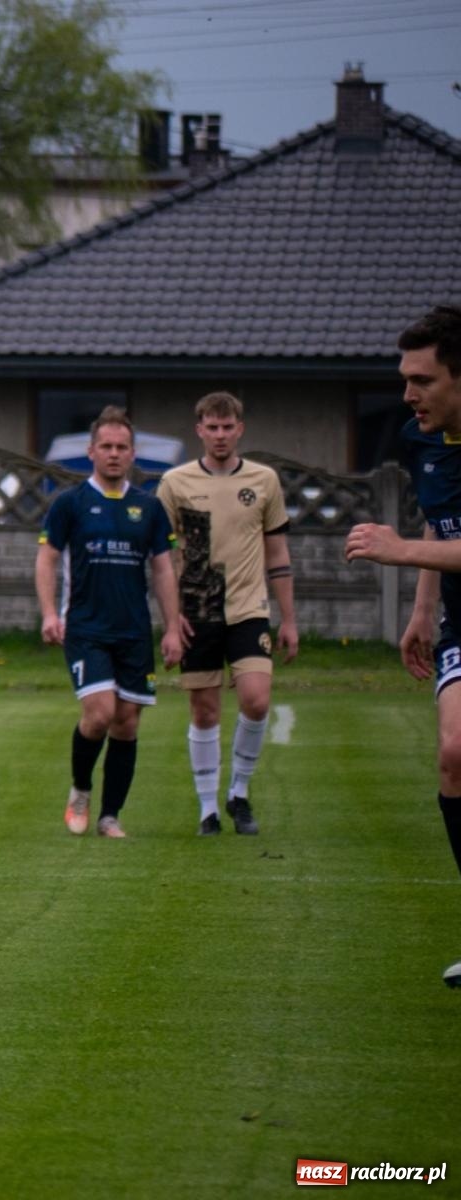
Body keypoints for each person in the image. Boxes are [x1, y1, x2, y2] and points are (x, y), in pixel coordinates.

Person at [345, 303, 461, 989]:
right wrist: (422, 610)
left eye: (423, 380)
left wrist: (399, 550)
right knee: (455, 754)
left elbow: (421, 539)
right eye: (405, 379)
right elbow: (441, 524)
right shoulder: (423, 442)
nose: (408, 394)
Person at [35, 407, 183, 838]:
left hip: (133, 630)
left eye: (122, 447)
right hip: (85, 628)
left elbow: (163, 569)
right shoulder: (70, 504)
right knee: (100, 714)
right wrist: (49, 613)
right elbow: (46, 559)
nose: (114, 454)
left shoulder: (149, 507)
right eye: (106, 446)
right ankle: (81, 789)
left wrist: (173, 627)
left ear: (133, 453)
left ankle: (109, 817)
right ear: (91, 452)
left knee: (127, 721)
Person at [156, 392, 298, 836]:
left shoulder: (264, 480)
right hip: (197, 611)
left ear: (240, 429)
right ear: (199, 430)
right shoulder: (174, 483)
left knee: (256, 699)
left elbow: (278, 553)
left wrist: (289, 619)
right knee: (205, 711)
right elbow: (161, 559)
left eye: (227, 426)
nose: (220, 435)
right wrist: (171, 620)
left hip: (249, 609)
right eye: (212, 427)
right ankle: (207, 809)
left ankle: (238, 791)